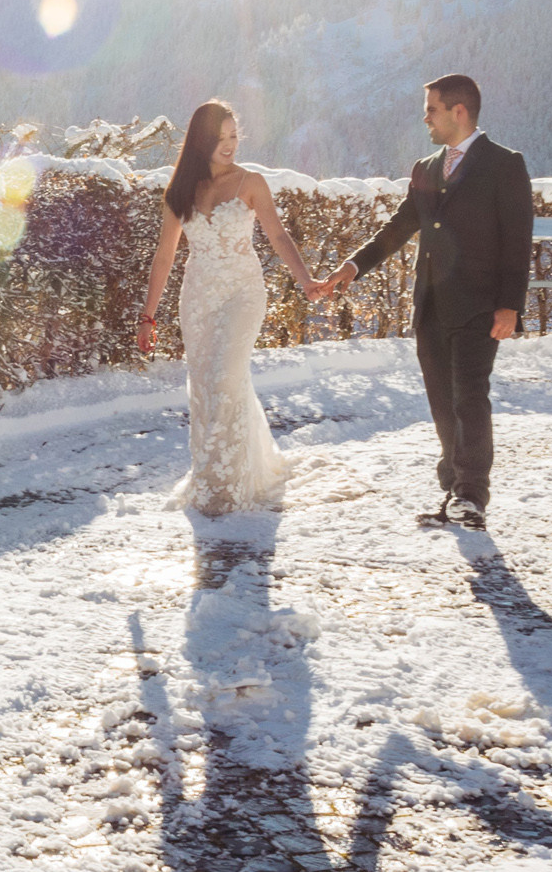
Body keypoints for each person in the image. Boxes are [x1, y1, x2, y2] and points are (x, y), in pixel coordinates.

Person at [324, 74, 532, 530]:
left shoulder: (505, 164)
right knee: (442, 400)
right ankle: (454, 488)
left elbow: (518, 239)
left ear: (459, 111)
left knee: (469, 397)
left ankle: (472, 495)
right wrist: (353, 266)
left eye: (431, 110)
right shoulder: (425, 168)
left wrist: (510, 305)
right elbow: (399, 227)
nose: (425, 119)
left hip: (480, 306)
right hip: (432, 305)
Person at [139, 100, 326, 515]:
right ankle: (214, 477)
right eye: (220, 137)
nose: (229, 145)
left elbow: (278, 236)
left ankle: (231, 486)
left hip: (243, 292)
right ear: (200, 141)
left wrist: (305, 280)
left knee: (226, 376)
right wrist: (147, 316)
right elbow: (164, 257)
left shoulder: (250, 182)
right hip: (198, 298)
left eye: (234, 136)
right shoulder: (180, 191)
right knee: (207, 386)